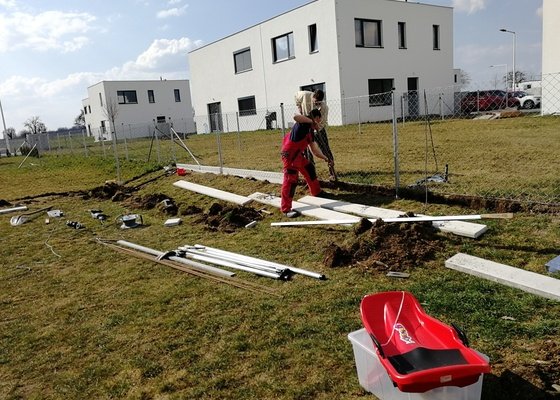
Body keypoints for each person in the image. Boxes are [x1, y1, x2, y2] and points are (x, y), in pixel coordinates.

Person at [280, 109, 332, 218]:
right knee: (291, 181)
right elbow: (295, 116)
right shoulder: (303, 124)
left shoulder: (310, 132)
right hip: (289, 156)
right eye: (319, 120)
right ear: (315, 118)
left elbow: (315, 151)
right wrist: (311, 122)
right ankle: (286, 209)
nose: (319, 123)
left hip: (298, 156)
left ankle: (317, 192)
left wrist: (325, 158)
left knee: (309, 169)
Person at [295, 89, 337, 180]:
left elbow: (323, 121)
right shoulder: (305, 95)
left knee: (326, 149)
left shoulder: (324, 107)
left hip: (319, 129)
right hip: (306, 128)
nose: (317, 104)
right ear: (313, 96)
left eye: (319, 103)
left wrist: (316, 129)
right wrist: (299, 107)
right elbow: (297, 97)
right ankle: (311, 172)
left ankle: (332, 171)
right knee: (308, 152)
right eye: (316, 102)